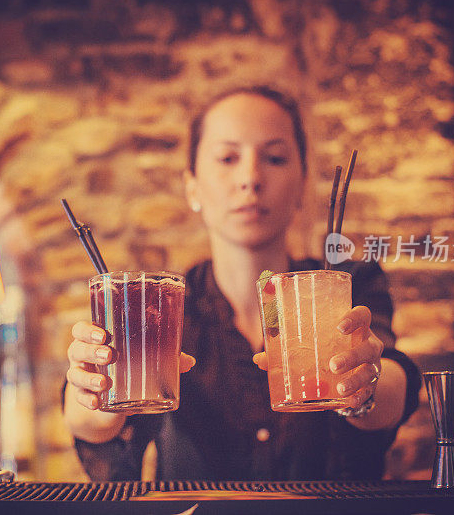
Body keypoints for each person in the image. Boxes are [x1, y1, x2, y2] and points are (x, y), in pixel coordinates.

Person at [63, 86, 421, 480]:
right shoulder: (162, 304)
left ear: (302, 183)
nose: (250, 178)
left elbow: (393, 384)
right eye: (227, 158)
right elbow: (96, 430)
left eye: (274, 158)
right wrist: (91, 396)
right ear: (192, 186)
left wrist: (364, 386)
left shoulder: (345, 283)